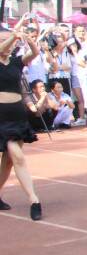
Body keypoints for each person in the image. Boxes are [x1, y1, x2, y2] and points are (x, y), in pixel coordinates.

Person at [0, 18, 43, 219]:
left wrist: (29, 40)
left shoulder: (16, 62)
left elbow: (34, 53)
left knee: (10, 160)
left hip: (16, 114)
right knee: (16, 156)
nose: (8, 44)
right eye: (3, 40)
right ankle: (34, 199)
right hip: (1, 116)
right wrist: (14, 36)